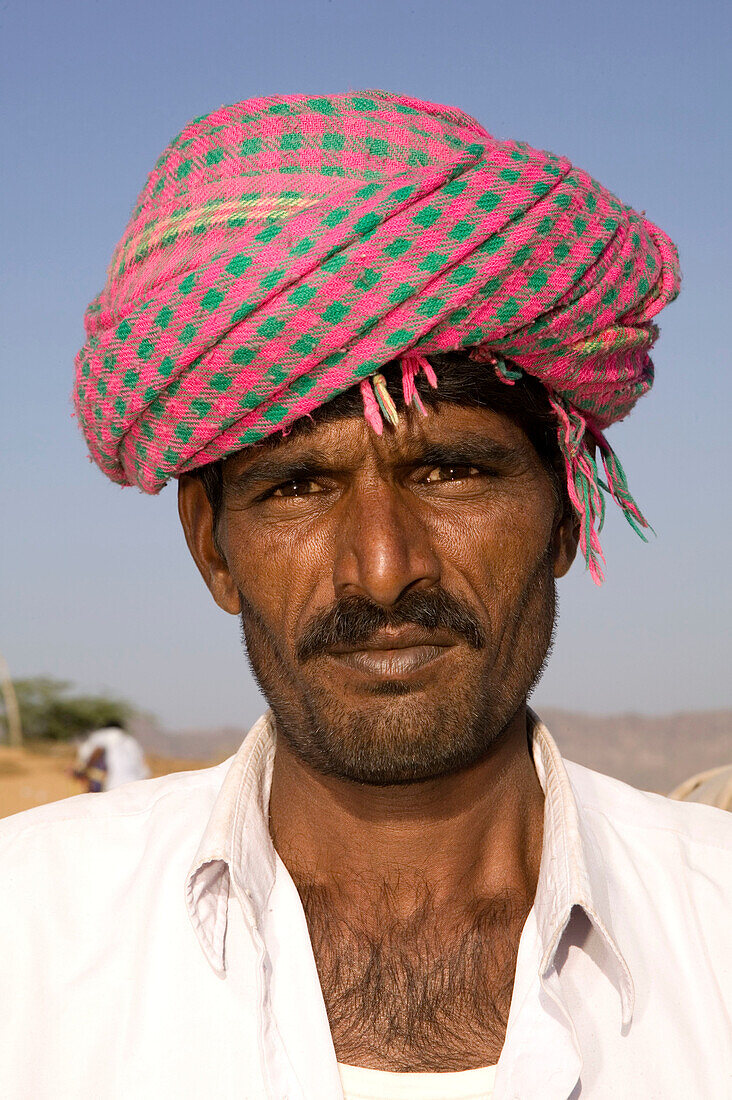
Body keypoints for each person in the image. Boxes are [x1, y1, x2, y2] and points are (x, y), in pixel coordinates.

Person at [1, 92, 730, 1099]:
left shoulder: (715, 919)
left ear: (565, 515)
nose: (384, 570)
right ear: (213, 549)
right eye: (297, 486)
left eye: (452, 473)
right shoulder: (28, 935)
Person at [72, 723, 151, 792]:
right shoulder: (132, 742)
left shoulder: (103, 736)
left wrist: (83, 769)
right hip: (136, 785)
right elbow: (142, 769)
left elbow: (97, 751)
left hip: (114, 785)